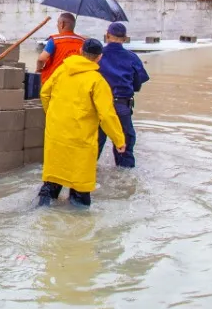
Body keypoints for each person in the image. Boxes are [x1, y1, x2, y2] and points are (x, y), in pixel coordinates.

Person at [37, 39, 126, 207]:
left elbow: (44, 93)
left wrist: (53, 115)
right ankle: (78, 225)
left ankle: (43, 209)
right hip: (80, 139)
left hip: (56, 133)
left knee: (53, 179)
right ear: (99, 57)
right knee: (80, 187)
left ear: (80, 50)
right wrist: (119, 140)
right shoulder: (97, 81)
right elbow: (107, 115)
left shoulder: (62, 70)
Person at [95, 21, 149, 167]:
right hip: (122, 106)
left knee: (93, 147)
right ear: (125, 38)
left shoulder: (97, 56)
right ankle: (125, 186)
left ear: (107, 36)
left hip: (99, 108)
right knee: (125, 147)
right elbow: (138, 83)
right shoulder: (132, 58)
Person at [36, 12, 84, 85]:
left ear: (62, 24)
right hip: (76, 81)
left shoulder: (55, 40)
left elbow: (41, 59)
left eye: (58, 23)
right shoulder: (83, 41)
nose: (57, 25)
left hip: (55, 81)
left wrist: (38, 69)